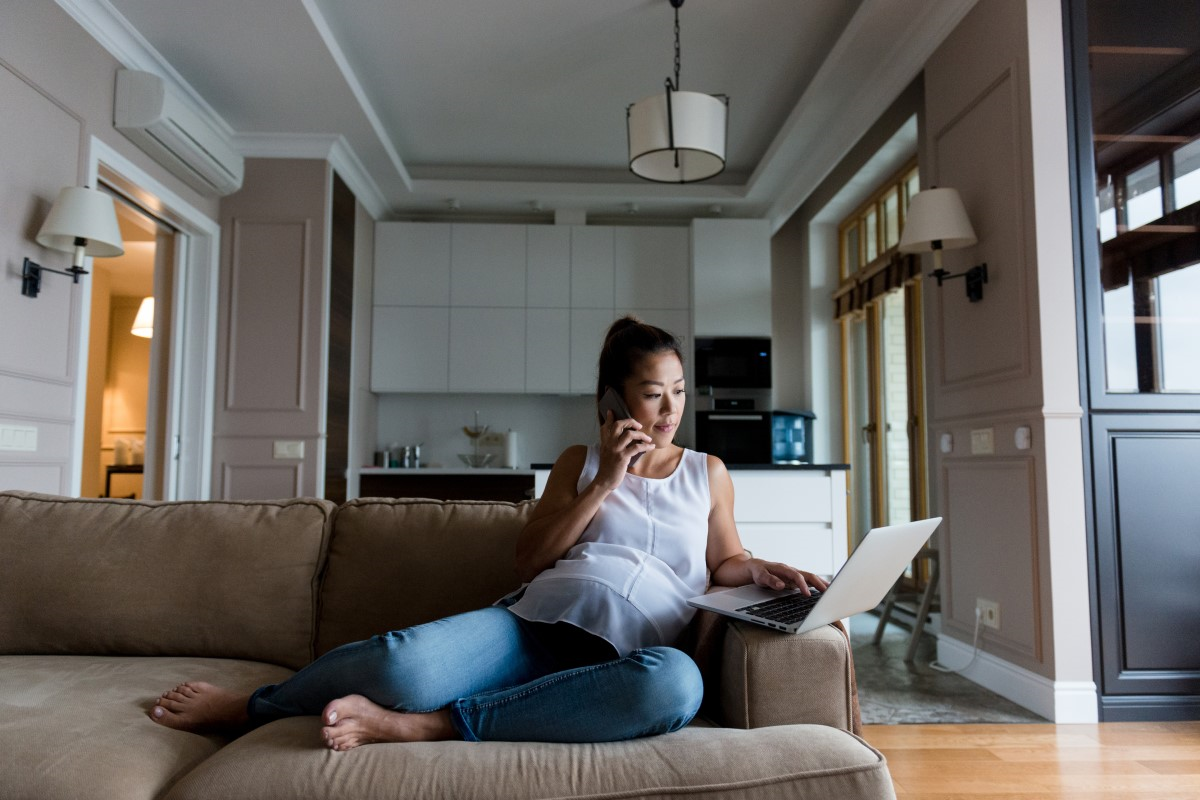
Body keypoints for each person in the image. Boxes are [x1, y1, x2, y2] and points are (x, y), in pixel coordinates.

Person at [148, 316, 828, 750]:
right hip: (531, 630)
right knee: (399, 661)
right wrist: (604, 482)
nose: (671, 408)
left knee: (676, 689)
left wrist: (762, 568)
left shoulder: (708, 472)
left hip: (629, 660)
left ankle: (429, 726)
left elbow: (725, 561)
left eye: (679, 390)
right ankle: (254, 708)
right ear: (615, 400)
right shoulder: (579, 464)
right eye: (654, 393)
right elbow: (531, 561)